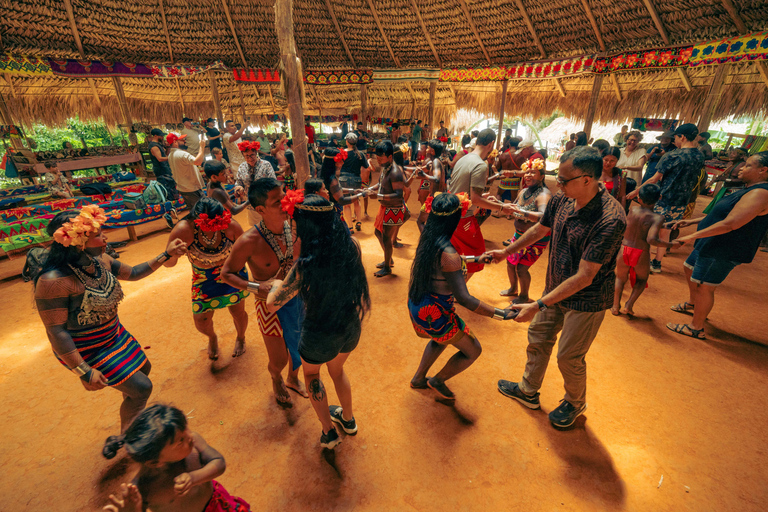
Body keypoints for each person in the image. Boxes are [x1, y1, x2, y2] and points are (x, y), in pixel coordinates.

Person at [486, 146, 626, 428]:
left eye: (563, 180)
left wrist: (537, 304)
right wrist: (506, 252)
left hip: (586, 300)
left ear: (588, 179)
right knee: (538, 337)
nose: (557, 185)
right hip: (555, 289)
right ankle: (527, 391)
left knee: (569, 356)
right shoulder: (562, 199)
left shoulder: (610, 219)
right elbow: (540, 229)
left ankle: (575, 403)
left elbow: (586, 275)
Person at [33, 207, 187, 458]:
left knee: (143, 372)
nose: (105, 238)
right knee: (141, 387)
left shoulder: (99, 261)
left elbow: (134, 273)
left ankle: (127, 429)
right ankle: (128, 439)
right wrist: (83, 370)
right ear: (77, 241)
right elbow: (56, 332)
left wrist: (165, 254)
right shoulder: (53, 281)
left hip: (114, 335)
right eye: (97, 235)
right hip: (85, 348)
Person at [266, 191, 370, 449]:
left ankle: (328, 433)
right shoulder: (351, 246)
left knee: (312, 374)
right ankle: (348, 419)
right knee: (337, 370)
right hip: (349, 327)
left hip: (319, 335)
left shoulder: (306, 265)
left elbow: (273, 302)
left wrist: (277, 282)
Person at [408, 193, 516, 400]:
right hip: (435, 313)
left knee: (440, 339)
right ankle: (437, 380)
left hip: (418, 304)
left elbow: (446, 263)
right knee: (473, 350)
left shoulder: (428, 236)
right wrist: (502, 314)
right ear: (455, 219)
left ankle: (419, 378)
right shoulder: (449, 253)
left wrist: (475, 258)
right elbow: (465, 298)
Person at [221, 178, 307, 407]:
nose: (285, 202)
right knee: (278, 358)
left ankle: (292, 378)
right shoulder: (248, 241)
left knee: (300, 347)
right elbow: (226, 274)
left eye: (284, 196)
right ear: (260, 210)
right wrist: (257, 286)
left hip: (298, 297)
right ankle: (277, 377)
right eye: (277, 201)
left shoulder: (297, 227)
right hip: (268, 305)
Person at [667, 152, 768, 340]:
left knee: (705, 286)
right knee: (689, 267)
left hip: (723, 248)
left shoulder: (760, 194)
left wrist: (690, 237)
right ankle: (693, 303)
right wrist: (692, 222)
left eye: (748, 165)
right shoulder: (749, 188)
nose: (741, 168)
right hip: (711, 242)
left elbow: (730, 224)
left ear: (763, 170)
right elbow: (720, 216)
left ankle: (696, 327)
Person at [101, 404, 250, 512]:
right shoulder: (142, 487)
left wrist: (194, 478)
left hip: (217, 507)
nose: (190, 437)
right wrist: (133, 510)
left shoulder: (194, 443)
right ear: (155, 462)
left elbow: (219, 463)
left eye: (186, 429)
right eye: (180, 441)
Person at [162, 198, 249, 359]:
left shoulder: (231, 226)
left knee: (238, 311)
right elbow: (169, 265)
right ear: (196, 220)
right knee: (201, 319)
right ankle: (212, 337)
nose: (213, 228)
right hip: (203, 278)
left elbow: (246, 251)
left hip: (232, 273)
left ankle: (241, 337)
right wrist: (170, 254)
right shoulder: (183, 230)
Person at [627, 123, 704, 273]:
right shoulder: (699, 156)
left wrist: (637, 191)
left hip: (664, 198)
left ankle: (643, 260)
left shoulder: (673, 155)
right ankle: (657, 263)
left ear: (682, 137)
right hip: (682, 201)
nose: (674, 140)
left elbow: (654, 179)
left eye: (675, 137)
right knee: (666, 231)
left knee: (650, 230)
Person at [448, 128, 513, 277]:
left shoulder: (464, 158)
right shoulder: (480, 164)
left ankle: (453, 288)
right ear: (491, 144)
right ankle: (459, 291)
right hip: (464, 219)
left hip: (452, 215)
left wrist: (482, 197)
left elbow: (464, 191)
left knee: (456, 253)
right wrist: (502, 207)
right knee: (477, 255)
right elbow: (476, 199)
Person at [611, 184, 674, 316]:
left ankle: (615, 306)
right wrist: (670, 244)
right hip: (641, 252)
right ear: (660, 198)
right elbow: (651, 239)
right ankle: (628, 305)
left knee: (620, 278)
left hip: (624, 249)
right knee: (641, 279)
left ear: (639, 199)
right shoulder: (657, 218)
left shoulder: (632, 210)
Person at [498, 156, 552, 303]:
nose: (528, 175)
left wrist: (522, 212)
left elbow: (543, 216)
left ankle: (524, 296)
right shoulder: (523, 192)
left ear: (542, 176)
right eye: (527, 172)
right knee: (510, 262)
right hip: (520, 234)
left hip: (537, 238)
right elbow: (512, 208)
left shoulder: (544, 194)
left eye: (533, 172)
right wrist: (497, 204)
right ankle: (513, 289)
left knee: (522, 268)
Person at [372, 141, 406, 277]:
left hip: (394, 208)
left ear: (390, 157)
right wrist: (369, 189)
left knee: (386, 238)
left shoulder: (395, 172)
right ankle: (388, 259)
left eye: (381, 158)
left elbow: (398, 195)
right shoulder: (385, 167)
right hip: (385, 207)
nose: (379, 161)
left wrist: (378, 195)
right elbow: (380, 183)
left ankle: (387, 267)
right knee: (377, 232)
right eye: (377, 159)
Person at [320, 147, 367, 233]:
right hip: (334, 214)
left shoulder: (327, 175)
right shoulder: (332, 180)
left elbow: (338, 190)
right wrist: (360, 195)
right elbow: (341, 200)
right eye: (340, 160)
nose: (342, 162)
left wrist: (353, 191)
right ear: (334, 162)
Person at [234, 140, 276, 226]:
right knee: (256, 228)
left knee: (270, 226)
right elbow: (238, 183)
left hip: (266, 203)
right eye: (246, 156)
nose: (249, 158)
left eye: (252, 155)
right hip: (251, 204)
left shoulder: (266, 165)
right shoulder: (242, 167)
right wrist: (238, 188)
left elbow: (273, 183)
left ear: (256, 152)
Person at [167, 132, 206, 210]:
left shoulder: (171, 155)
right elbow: (198, 162)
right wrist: (201, 147)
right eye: (182, 140)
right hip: (191, 188)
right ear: (175, 142)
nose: (184, 141)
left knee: (193, 211)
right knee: (201, 212)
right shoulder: (181, 154)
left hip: (183, 188)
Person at [339, 132, 369, 231]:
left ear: (347, 141)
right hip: (356, 179)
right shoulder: (360, 154)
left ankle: (350, 227)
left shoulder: (342, 153)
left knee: (346, 204)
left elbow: (337, 165)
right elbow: (366, 167)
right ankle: (359, 221)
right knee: (356, 200)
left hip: (344, 179)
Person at [415, 139, 447, 232]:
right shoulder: (436, 161)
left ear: (432, 151)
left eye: (428, 147)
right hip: (438, 197)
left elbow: (436, 178)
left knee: (420, 222)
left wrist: (424, 175)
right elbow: (421, 170)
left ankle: (428, 243)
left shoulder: (436, 162)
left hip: (434, 199)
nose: (427, 149)